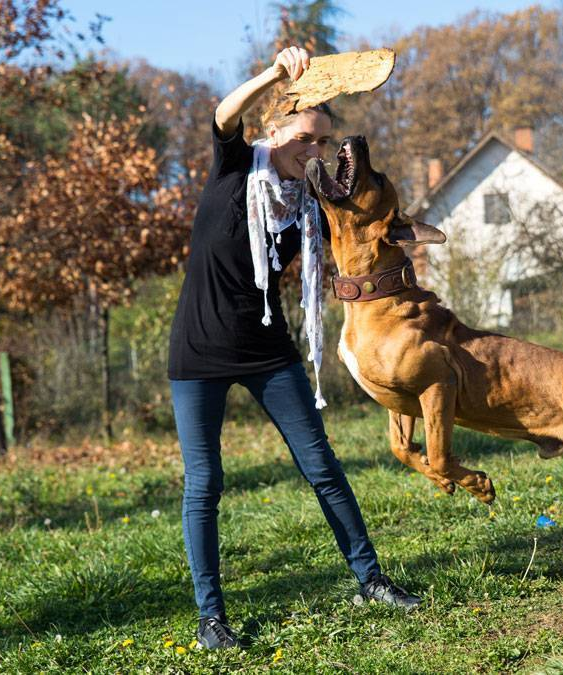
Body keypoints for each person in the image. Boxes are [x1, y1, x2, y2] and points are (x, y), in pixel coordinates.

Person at [167, 46, 420, 651]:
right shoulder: (235, 168)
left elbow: (358, 239)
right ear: (274, 131)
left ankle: (371, 581)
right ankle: (211, 619)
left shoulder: (308, 202)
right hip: (198, 353)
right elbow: (224, 115)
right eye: (304, 138)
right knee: (205, 484)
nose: (315, 151)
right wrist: (276, 75)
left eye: (322, 142)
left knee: (322, 467)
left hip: (268, 351)